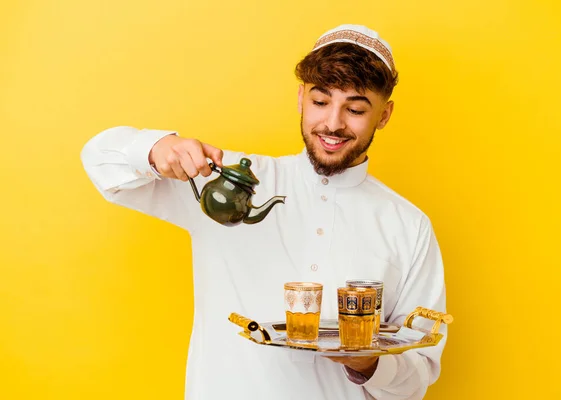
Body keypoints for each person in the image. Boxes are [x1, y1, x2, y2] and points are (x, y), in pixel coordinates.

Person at [81, 24, 448, 400]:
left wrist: (369, 364)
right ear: (301, 98)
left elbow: (417, 378)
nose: (333, 124)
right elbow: (98, 159)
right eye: (321, 102)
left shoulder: (409, 226)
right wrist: (156, 148)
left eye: (354, 109)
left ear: (383, 116)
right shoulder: (228, 182)